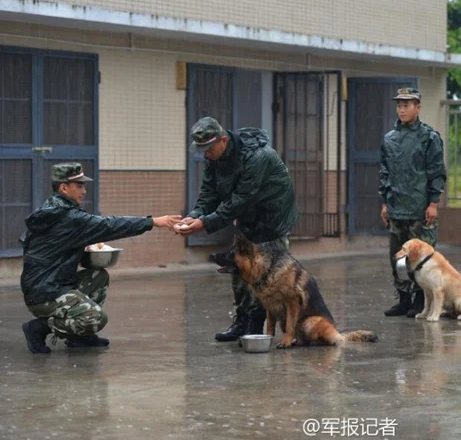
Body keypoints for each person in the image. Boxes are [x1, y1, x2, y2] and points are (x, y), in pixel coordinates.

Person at [20, 162, 182, 354]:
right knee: (96, 318)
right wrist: (153, 222)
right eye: (79, 186)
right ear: (63, 188)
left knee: (98, 277)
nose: (84, 191)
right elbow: (109, 225)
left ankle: (79, 337)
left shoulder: (50, 210)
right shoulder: (69, 217)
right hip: (45, 293)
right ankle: (39, 328)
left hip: (47, 284)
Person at [178, 117, 298, 341]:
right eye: (201, 149)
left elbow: (241, 199)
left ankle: (260, 323)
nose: (205, 154)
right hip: (247, 218)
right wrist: (194, 215)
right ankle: (242, 322)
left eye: (208, 148)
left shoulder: (258, 157)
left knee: (269, 274)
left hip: (273, 219)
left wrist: (205, 223)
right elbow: (209, 193)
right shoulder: (213, 159)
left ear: (223, 140)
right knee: (240, 267)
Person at [379, 87, 446, 317]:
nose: (402, 109)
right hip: (397, 208)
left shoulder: (429, 138)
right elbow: (385, 173)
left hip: (420, 209)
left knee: (421, 258)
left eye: (407, 105)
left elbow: (437, 172)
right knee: (397, 258)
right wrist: (385, 203)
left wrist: (434, 203)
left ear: (418, 107)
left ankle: (420, 300)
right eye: (399, 105)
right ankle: (404, 299)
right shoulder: (389, 139)